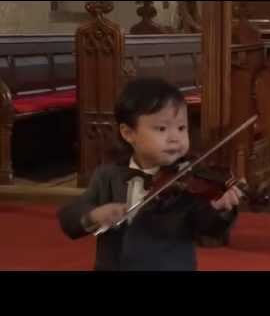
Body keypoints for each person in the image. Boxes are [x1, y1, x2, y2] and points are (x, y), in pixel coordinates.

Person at [57, 77, 242, 271]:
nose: (174, 138)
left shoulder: (188, 181)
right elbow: (69, 217)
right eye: (162, 128)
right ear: (128, 133)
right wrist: (93, 215)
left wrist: (220, 209)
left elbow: (208, 231)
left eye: (181, 128)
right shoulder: (107, 176)